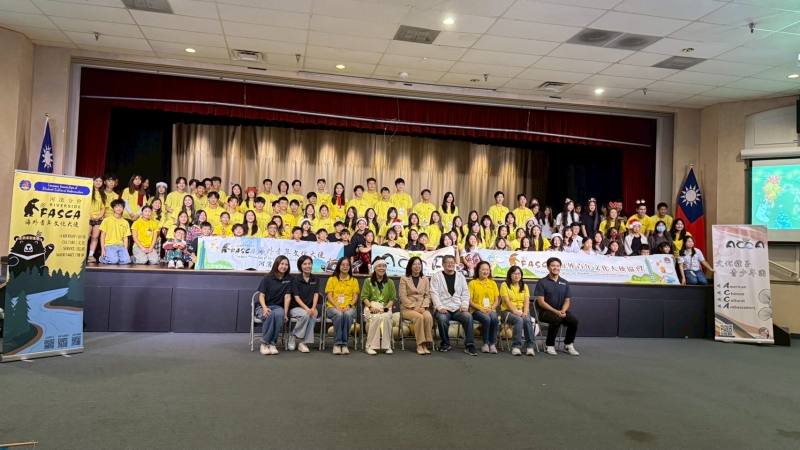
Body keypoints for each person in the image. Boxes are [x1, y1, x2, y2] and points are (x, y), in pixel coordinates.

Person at [431, 255, 477, 355]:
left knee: (468, 317)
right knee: (442, 319)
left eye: (452, 262)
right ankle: (445, 344)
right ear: (443, 264)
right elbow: (434, 293)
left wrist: (464, 305)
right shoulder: (436, 276)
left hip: (458, 308)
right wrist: (439, 307)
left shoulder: (461, 277)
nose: (450, 264)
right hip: (443, 308)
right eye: (447, 262)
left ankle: (470, 345)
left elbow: (465, 293)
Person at [534, 257, 580, 356]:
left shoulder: (565, 282)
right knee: (556, 319)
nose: (556, 268)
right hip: (545, 312)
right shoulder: (542, 282)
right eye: (553, 265)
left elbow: (567, 300)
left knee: (574, 321)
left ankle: (568, 344)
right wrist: (556, 312)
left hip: (560, 311)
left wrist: (563, 311)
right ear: (548, 267)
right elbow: (541, 302)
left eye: (558, 266)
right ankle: (549, 345)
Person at [256, 256, 292, 355]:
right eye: (282, 264)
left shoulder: (289, 279)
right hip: (263, 306)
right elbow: (261, 295)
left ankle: (272, 344)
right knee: (270, 314)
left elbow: (287, 297)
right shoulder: (267, 278)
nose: (284, 266)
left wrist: (285, 313)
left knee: (279, 315)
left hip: (278, 307)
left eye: (286, 264)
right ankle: (264, 344)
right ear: (277, 264)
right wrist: (264, 307)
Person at [399, 256, 434, 355]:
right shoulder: (404, 278)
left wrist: (423, 306)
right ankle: (420, 344)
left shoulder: (425, 279)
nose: (417, 266)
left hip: (422, 307)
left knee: (427, 316)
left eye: (419, 264)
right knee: (419, 317)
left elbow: (427, 295)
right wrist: (413, 307)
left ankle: (426, 344)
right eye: (414, 264)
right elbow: (403, 296)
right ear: (410, 266)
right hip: (408, 308)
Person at [361, 258, 396, 355]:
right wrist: (371, 307)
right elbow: (364, 297)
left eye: (384, 266)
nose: (382, 268)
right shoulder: (368, 281)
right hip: (371, 306)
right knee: (375, 317)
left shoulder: (390, 282)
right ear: (375, 268)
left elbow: (392, 299)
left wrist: (384, 309)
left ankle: (386, 346)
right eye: (379, 266)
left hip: (385, 307)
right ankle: (370, 346)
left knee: (386, 317)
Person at [325, 257, 359, 355]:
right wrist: (337, 306)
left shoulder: (354, 280)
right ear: (338, 266)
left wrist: (349, 305)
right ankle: (337, 344)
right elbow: (329, 296)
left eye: (347, 265)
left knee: (347, 315)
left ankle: (344, 344)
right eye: (343, 265)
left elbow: (355, 297)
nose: (345, 267)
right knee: (339, 314)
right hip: (332, 307)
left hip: (349, 307)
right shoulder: (332, 279)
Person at [285, 255, 319, 353]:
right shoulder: (295, 279)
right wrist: (307, 309)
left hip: (310, 307)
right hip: (296, 307)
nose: (307, 266)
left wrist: (313, 308)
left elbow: (316, 294)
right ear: (300, 266)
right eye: (305, 264)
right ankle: (293, 336)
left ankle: (303, 343)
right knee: (306, 314)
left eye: (309, 263)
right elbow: (296, 297)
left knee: (314, 314)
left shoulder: (315, 279)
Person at [500, 265, 535, 356]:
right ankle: (516, 346)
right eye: (514, 273)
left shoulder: (525, 286)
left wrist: (525, 312)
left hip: (522, 311)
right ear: (510, 275)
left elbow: (527, 301)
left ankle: (529, 346)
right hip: (507, 311)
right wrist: (515, 311)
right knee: (518, 320)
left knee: (527, 319)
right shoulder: (505, 285)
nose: (517, 276)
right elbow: (507, 301)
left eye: (519, 274)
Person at [469, 261, 500, 354]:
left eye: (487, 269)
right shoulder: (472, 283)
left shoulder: (493, 283)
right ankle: (485, 344)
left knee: (494, 318)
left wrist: (491, 308)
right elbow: (469, 301)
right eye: (483, 269)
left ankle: (492, 344)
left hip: (490, 309)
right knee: (486, 319)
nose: (485, 271)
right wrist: (480, 308)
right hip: (476, 310)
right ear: (478, 270)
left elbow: (496, 300)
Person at [98, 199, 131, 265]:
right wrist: (103, 249)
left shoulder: (125, 222)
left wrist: (125, 250)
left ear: (123, 208)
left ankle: (115, 257)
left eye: (120, 206)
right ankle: (102, 258)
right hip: (109, 245)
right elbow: (102, 236)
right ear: (113, 208)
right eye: (116, 206)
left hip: (120, 246)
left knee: (126, 261)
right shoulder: (106, 220)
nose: (118, 208)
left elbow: (125, 238)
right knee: (114, 261)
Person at [87, 176, 107, 263]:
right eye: (96, 181)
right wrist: (90, 215)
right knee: (86, 237)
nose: (98, 182)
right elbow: (85, 205)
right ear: (93, 181)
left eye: (100, 181)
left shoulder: (103, 194)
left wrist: (99, 216)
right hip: (87, 218)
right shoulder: (88, 191)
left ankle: (91, 255)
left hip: (98, 219)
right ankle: (82, 254)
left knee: (95, 237)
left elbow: (103, 208)